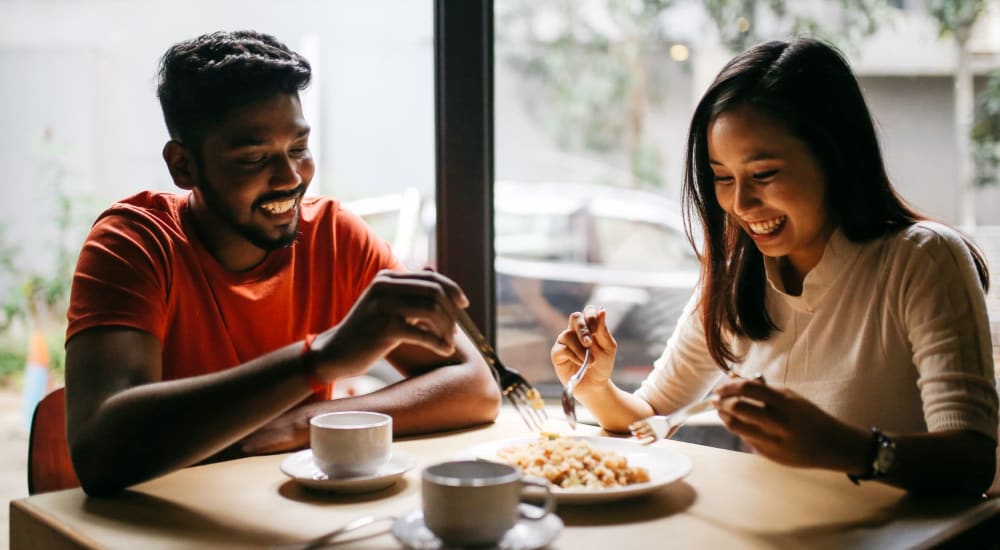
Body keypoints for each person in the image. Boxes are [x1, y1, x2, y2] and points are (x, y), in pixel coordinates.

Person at [551, 37, 998, 495]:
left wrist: (848, 448)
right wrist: (595, 387)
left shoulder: (922, 259)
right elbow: (651, 416)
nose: (740, 203)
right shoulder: (736, 274)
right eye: (723, 177)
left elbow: (972, 459)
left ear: (835, 156)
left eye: (763, 174)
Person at [64, 30, 500, 496]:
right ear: (184, 166)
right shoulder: (134, 243)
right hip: (159, 518)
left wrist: (299, 424)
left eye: (298, 149)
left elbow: (476, 387)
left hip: (285, 509)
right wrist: (320, 359)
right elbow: (99, 453)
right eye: (254, 158)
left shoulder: (335, 237)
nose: (291, 178)